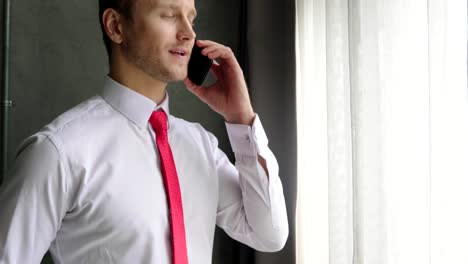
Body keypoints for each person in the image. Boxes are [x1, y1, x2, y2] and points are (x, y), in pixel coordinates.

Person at [0, 0, 288, 263]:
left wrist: (241, 118)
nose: (188, 34)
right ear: (116, 26)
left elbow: (268, 234)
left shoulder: (201, 146)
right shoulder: (58, 152)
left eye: (191, 19)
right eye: (169, 15)